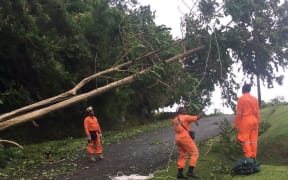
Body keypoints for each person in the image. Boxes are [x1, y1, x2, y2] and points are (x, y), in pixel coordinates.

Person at [172, 107, 204, 179]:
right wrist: (202, 112)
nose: (186, 111)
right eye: (185, 110)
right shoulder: (185, 117)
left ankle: (179, 174)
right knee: (195, 153)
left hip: (177, 138)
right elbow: (197, 117)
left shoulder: (174, 119)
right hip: (185, 138)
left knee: (182, 155)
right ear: (182, 111)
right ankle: (190, 172)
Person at [234, 84, 260, 160]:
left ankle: (249, 157)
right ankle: (253, 157)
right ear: (249, 90)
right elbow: (257, 112)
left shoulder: (241, 99)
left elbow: (239, 113)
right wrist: (257, 121)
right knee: (253, 141)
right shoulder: (255, 99)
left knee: (244, 139)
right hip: (254, 121)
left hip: (245, 121)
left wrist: (236, 125)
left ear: (243, 90)